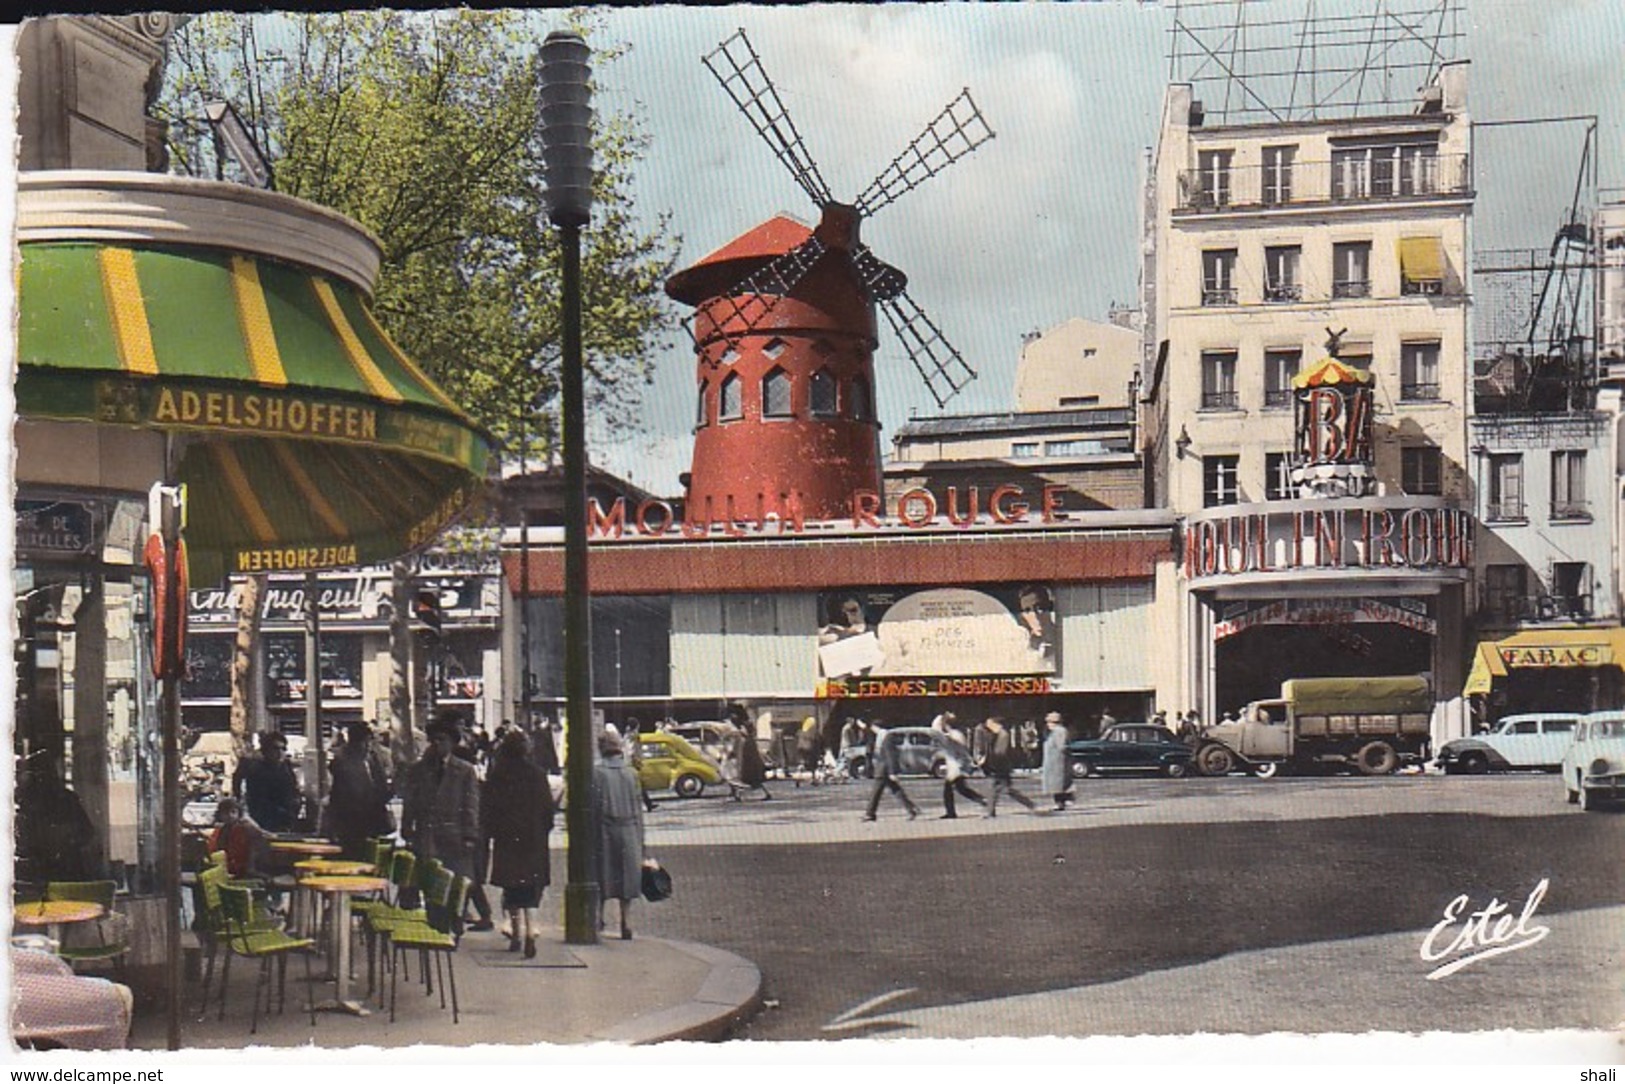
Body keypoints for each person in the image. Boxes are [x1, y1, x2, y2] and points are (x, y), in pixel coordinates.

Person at [400, 716, 481, 934]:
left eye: (443, 740)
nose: (438, 744)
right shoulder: (419, 770)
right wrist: (407, 827)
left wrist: (470, 834)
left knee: (455, 882)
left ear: (452, 743)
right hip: (427, 835)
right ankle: (436, 923)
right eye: (434, 740)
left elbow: (471, 803)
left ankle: (454, 920)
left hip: (454, 835)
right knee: (431, 882)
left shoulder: (465, 771)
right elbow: (411, 801)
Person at [481, 729, 554, 958]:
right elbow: (547, 808)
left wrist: (492, 832)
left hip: (508, 838)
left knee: (511, 886)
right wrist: (543, 829)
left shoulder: (498, 774)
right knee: (531, 885)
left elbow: (488, 808)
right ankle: (531, 929)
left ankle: (515, 932)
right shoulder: (537, 774)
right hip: (533, 838)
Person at [593, 731, 646, 940]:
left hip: (605, 829)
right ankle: (626, 921)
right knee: (627, 877)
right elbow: (638, 809)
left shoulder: (597, 773)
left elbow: (594, 806)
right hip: (630, 829)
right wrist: (642, 840)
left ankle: (599, 917)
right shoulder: (631, 773)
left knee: (602, 874)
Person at [326, 722, 393, 858]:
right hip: (352, 823)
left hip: (374, 821)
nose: (368, 747)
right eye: (364, 742)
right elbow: (342, 795)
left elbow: (381, 789)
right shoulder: (342, 761)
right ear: (354, 743)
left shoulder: (373, 759)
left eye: (369, 742)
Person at [233, 730, 300, 833]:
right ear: (266, 750)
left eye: (283, 749)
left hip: (285, 816)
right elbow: (237, 779)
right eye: (275, 749)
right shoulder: (254, 766)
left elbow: (293, 789)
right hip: (261, 814)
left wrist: (294, 807)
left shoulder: (286, 767)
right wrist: (239, 800)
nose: (280, 753)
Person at [981, 716, 1037, 817]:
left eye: (990, 724)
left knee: (1002, 789)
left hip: (1000, 767)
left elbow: (1000, 752)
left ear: (996, 724)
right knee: (994, 789)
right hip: (997, 766)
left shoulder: (1003, 735)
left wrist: (993, 762)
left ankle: (1029, 803)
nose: (988, 726)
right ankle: (990, 812)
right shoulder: (996, 734)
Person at [862, 725, 920, 822]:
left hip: (883, 769)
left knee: (876, 793)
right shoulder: (884, 736)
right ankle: (912, 809)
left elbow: (890, 755)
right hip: (884, 769)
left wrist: (892, 771)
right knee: (896, 790)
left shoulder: (886, 737)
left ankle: (870, 813)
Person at [207, 798, 269, 880]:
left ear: (239, 813)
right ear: (220, 815)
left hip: (242, 867)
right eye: (225, 813)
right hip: (225, 865)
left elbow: (259, 834)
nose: (230, 815)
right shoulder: (220, 830)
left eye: (233, 812)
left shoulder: (244, 827)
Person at [623, 717, 658, 812]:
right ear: (637, 725)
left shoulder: (626, 735)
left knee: (638, 784)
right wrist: (636, 760)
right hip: (633, 763)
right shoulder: (634, 736)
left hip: (628, 762)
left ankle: (648, 803)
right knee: (637, 785)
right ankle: (645, 804)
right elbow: (632, 749)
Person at [1041, 712, 1074, 811]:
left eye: (1049, 722)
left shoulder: (1059, 731)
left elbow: (1062, 746)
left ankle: (1061, 802)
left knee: (1058, 784)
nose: (1047, 724)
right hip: (1053, 762)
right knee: (1056, 784)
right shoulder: (1054, 732)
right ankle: (1061, 802)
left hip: (1057, 762)